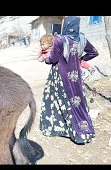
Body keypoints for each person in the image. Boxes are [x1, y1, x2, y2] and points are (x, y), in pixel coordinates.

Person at [39, 16, 99, 145]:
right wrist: (78, 59)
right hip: (76, 76)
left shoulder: (60, 40)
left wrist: (46, 59)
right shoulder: (82, 38)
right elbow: (93, 52)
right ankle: (85, 131)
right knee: (77, 102)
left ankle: (59, 129)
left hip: (60, 76)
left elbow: (53, 59)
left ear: (65, 25)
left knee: (54, 99)